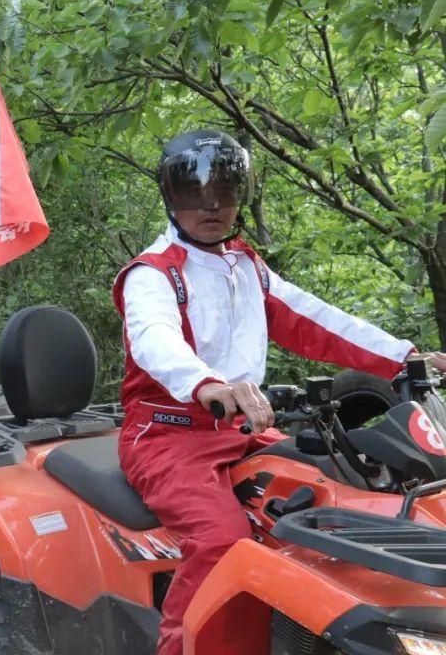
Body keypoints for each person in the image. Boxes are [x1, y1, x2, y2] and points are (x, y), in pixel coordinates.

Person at [112, 129, 446, 655]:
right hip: (167, 435)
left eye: (224, 190)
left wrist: (404, 355)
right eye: (193, 193)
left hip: (246, 427)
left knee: (342, 495)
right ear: (170, 198)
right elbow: (154, 340)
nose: (211, 205)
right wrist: (208, 385)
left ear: (241, 194)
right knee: (221, 541)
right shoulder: (153, 274)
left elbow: (320, 321)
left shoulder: (247, 267)